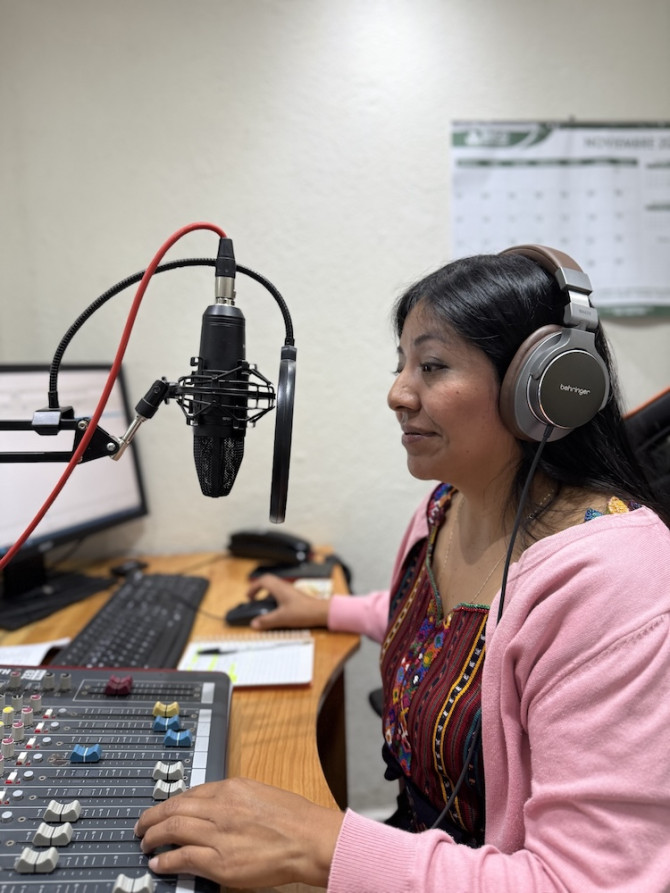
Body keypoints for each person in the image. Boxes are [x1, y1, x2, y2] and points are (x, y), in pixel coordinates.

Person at [135, 247, 670, 891]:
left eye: (433, 365)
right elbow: (450, 631)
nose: (397, 393)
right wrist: (329, 609)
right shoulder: (446, 507)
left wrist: (324, 847)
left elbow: (585, 882)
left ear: (546, 386)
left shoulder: (619, 587)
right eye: (402, 365)